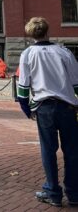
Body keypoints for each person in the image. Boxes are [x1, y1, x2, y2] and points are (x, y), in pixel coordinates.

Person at [18, 17, 78, 208]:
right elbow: (77, 82)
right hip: (67, 107)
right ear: (47, 31)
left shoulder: (27, 54)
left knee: (48, 150)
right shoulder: (64, 51)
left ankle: (53, 192)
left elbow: (23, 88)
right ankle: (74, 192)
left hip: (44, 108)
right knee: (72, 151)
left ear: (30, 34)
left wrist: (27, 109)